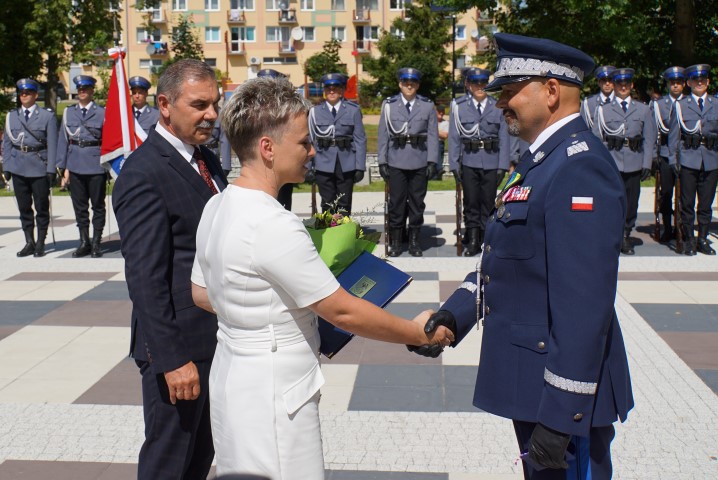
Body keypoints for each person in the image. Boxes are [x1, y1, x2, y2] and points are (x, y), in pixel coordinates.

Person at [190, 76, 453, 480]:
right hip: (275, 392)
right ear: (268, 148)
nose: (312, 150)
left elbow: (202, 293)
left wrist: (270, 305)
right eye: (302, 142)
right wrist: (417, 333)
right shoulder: (272, 223)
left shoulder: (217, 205)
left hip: (232, 378)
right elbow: (342, 312)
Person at [411, 33, 634, 479]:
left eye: (510, 92)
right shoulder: (537, 161)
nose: (500, 104)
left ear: (551, 91)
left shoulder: (578, 166)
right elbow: (504, 261)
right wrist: (454, 316)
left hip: (562, 400)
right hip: (534, 386)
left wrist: (562, 416)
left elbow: (583, 307)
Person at [113, 59, 228, 480]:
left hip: (214, 340)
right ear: (164, 104)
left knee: (198, 459)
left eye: (214, 104)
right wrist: (172, 358)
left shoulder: (207, 160)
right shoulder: (143, 173)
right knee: (169, 462)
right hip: (179, 350)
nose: (211, 115)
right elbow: (145, 279)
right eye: (199, 105)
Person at [592, 68, 656, 255]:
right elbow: (597, 140)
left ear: (631, 85)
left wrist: (647, 164)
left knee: (631, 203)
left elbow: (648, 139)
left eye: (626, 84)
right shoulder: (603, 110)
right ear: (615, 85)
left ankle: (626, 234)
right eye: (619, 84)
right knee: (611, 201)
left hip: (634, 162)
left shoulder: (643, 109)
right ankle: (613, 234)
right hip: (612, 162)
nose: (623, 87)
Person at [448, 67, 510, 257]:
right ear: (468, 84)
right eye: (476, 83)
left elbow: (504, 136)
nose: (480, 86)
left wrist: (503, 165)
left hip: (492, 161)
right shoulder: (459, 106)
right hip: (469, 161)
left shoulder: (497, 105)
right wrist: (453, 164)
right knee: (471, 202)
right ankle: (473, 239)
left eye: (483, 83)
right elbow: (454, 137)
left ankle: (486, 239)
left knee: (489, 202)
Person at [377, 67, 439, 257]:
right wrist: (382, 161)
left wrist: (432, 161)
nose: (409, 86)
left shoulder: (427, 106)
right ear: (400, 84)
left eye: (412, 83)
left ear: (418, 85)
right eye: (405, 83)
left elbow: (432, 135)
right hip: (396, 161)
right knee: (396, 203)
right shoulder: (389, 105)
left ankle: (414, 241)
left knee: (417, 203)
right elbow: (383, 135)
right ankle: (396, 241)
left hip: (419, 161)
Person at [2, 78, 58, 257]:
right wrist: (7, 167)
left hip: (39, 166)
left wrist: (51, 169)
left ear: (35, 95)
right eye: (21, 93)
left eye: (27, 93)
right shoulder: (12, 116)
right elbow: (8, 143)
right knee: (24, 207)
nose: (23, 96)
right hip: (18, 166)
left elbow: (52, 145)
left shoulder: (47, 116)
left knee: (41, 206)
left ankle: (41, 241)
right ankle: (29, 241)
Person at [668, 63, 718, 256]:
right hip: (688, 159)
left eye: (703, 80)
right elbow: (674, 136)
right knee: (687, 203)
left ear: (708, 82)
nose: (699, 82)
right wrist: (673, 160)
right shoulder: (681, 106)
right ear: (688, 83)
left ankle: (703, 239)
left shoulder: (715, 103)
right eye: (696, 80)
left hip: (712, 159)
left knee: (706, 203)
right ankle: (688, 239)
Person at [56, 75, 106, 258]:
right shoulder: (69, 112)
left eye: (85, 89)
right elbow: (63, 139)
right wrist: (61, 165)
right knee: (80, 207)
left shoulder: (102, 112)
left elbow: (107, 139)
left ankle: (96, 243)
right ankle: (84, 241)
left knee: (98, 206)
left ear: (92, 91)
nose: (82, 92)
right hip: (75, 163)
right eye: (80, 89)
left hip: (95, 163)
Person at [308, 72, 367, 214]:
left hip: (346, 162)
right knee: (327, 202)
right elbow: (310, 140)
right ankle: (328, 234)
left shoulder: (353, 111)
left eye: (335, 88)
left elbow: (360, 139)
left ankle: (343, 233)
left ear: (341, 91)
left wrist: (360, 167)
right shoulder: (315, 112)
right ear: (324, 91)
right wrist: (308, 166)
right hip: (323, 162)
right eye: (328, 89)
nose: (332, 91)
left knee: (344, 203)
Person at [651, 66, 685, 242]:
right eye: (673, 83)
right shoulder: (659, 105)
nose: (676, 86)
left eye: (679, 83)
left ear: (684, 84)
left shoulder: (688, 103)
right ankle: (667, 226)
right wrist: (653, 156)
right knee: (666, 193)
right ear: (668, 85)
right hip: (664, 153)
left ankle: (683, 227)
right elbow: (653, 131)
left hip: (685, 154)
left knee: (685, 194)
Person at [257, 68, 294, 210]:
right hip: (259, 165)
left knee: (282, 204)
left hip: (281, 163)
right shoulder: (251, 109)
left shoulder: (288, 110)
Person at [435, 106, 449, 179]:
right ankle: (439, 170)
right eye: (439, 114)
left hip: (439, 143)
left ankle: (439, 170)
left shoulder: (445, 123)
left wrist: (433, 129)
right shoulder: (431, 121)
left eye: (442, 114)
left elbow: (445, 135)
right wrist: (439, 132)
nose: (440, 116)